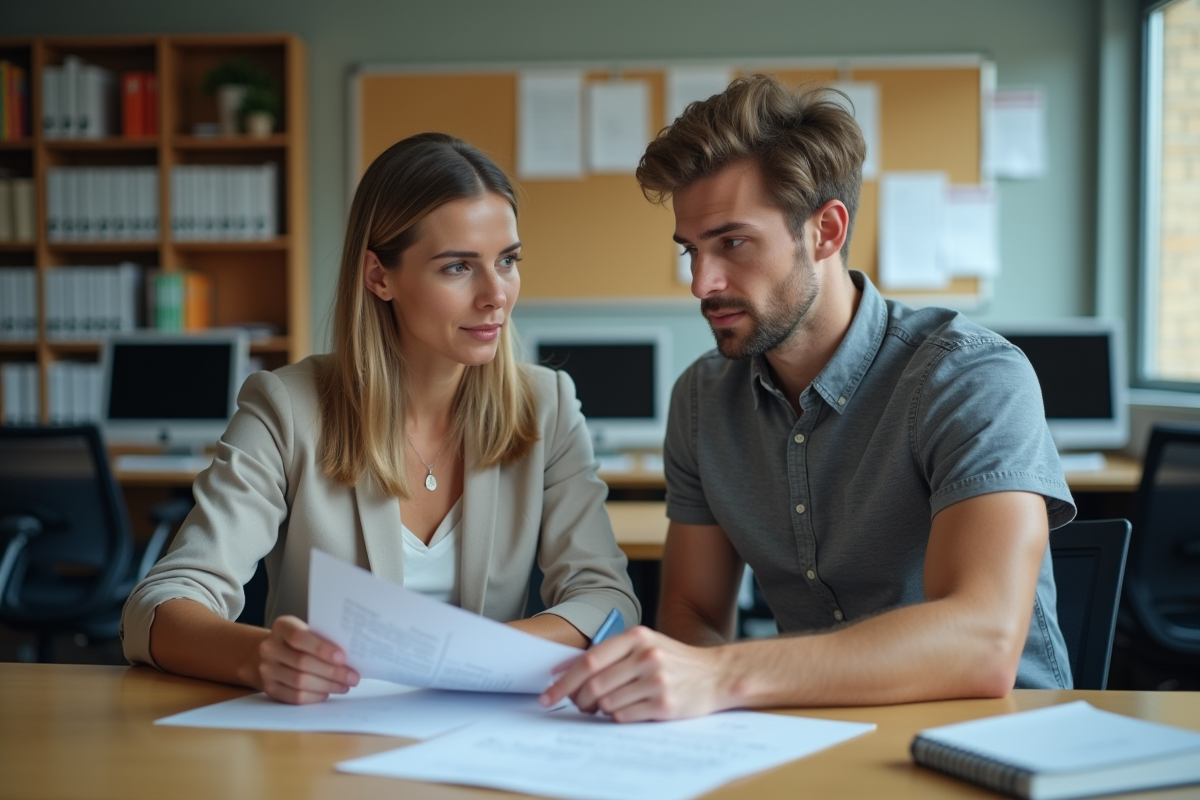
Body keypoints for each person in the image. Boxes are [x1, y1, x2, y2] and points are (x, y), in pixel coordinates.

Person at [542, 75, 1075, 722]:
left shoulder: (969, 376)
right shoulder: (702, 399)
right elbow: (695, 616)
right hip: (810, 728)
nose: (701, 283)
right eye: (692, 251)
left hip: (991, 735)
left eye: (733, 243)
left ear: (824, 230)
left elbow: (982, 641)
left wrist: (723, 674)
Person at [122, 133, 640, 704]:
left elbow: (606, 597)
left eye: (508, 261)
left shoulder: (548, 405)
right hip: (322, 744)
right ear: (379, 276)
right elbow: (160, 604)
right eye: (457, 268)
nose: (497, 295)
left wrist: (474, 655)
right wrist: (258, 658)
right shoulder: (286, 407)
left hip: (479, 737)